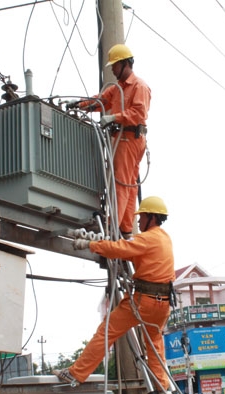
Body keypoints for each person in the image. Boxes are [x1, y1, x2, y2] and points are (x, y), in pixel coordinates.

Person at [53, 196, 174, 391]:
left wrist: (91, 245)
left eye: (141, 217)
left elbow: (120, 249)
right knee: (154, 343)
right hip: (163, 304)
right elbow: (140, 256)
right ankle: (161, 384)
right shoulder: (165, 238)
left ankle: (76, 373)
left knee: (106, 332)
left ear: (151, 217)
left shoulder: (147, 238)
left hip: (143, 302)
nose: (139, 221)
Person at [69, 43, 151, 239]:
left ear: (124, 63)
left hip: (130, 137)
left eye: (114, 65)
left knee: (121, 182)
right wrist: (79, 104)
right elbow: (101, 100)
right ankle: (124, 228)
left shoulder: (139, 86)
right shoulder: (117, 88)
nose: (112, 69)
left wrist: (114, 118)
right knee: (130, 185)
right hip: (122, 138)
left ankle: (112, 225)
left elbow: (139, 113)